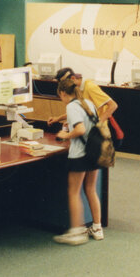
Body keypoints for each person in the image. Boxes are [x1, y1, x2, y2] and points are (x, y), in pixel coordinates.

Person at [52, 75, 103, 245]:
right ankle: (97, 227)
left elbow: (80, 129)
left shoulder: (71, 107)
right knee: (90, 189)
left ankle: (76, 232)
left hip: (80, 154)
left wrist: (65, 135)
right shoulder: (87, 102)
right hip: (94, 152)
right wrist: (59, 119)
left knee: (74, 192)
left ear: (62, 93)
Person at [48, 67, 118, 130]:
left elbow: (113, 105)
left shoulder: (90, 87)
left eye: (66, 85)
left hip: (97, 132)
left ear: (73, 78)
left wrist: (98, 123)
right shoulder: (77, 90)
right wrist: (58, 119)